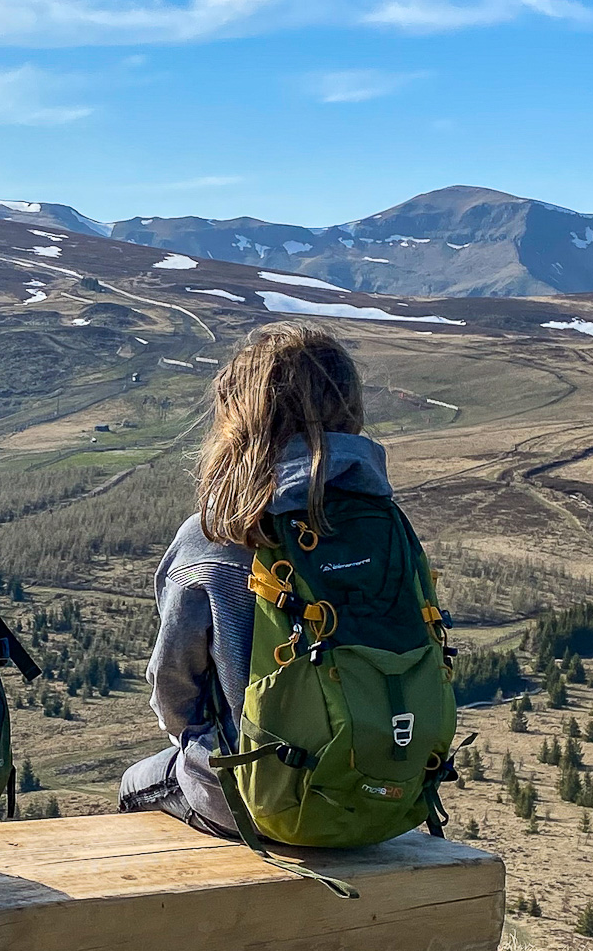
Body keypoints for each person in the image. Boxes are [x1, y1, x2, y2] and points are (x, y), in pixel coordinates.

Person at [118, 320, 390, 837]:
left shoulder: (218, 532)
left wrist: (197, 742)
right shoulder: (384, 524)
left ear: (240, 418)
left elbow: (173, 685)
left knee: (136, 784)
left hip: (256, 795)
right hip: (384, 784)